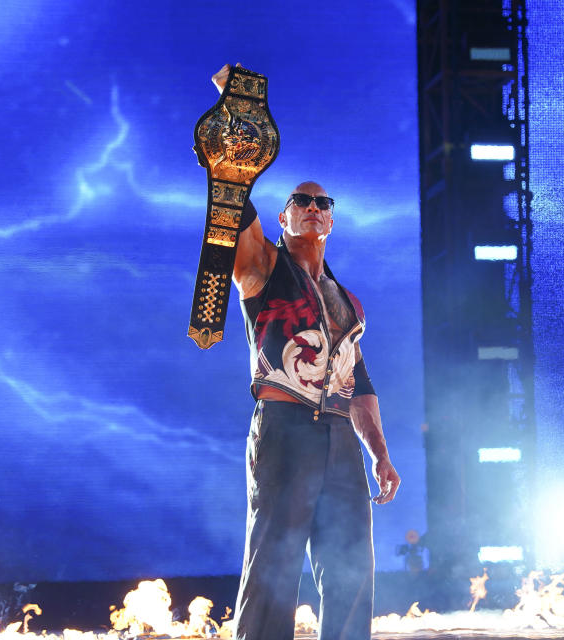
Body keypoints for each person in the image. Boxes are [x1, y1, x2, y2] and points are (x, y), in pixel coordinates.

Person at [209, 64, 400, 640]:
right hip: (285, 426)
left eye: (322, 202)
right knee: (273, 563)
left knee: (350, 566)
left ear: (332, 220)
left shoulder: (347, 302)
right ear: (286, 215)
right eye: (300, 200)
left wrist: (380, 455)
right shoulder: (264, 266)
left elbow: (359, 383)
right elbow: (234, 219)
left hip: (341, 435)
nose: (312, 207)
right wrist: (236, 133)